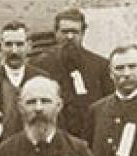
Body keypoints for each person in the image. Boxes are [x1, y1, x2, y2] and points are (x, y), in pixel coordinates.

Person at [32, 8, 114, 141]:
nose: (69, 37)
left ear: (83, 34)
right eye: (65, 32)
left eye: (75, 32)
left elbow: (108, 107)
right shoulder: (39, 65)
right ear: (56, 33)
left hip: (89, 140)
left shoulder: (101, 66)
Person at [0, 21, 48, 91]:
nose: (14, 50)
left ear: (29, 46)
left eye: (19, 44)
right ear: (1, 46)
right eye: (8, 44)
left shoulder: (41, 78)